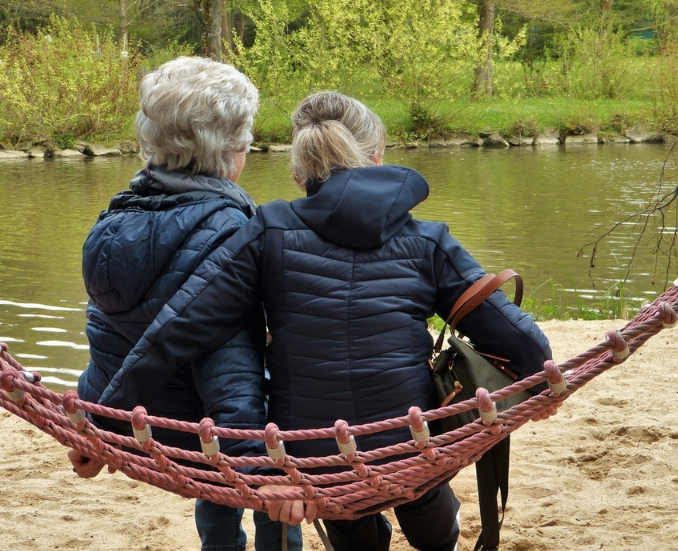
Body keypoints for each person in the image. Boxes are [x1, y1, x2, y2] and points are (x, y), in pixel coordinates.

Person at [100, 91, 552, 551]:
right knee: (420, 471)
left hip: (313, 460)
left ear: (299, 174)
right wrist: (540, 381)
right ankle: (439, 537)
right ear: (376, 158)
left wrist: (104, 424)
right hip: (409, 446)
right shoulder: (429, 240)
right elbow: (521, 342)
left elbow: (180, 328)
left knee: (340, 487)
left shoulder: (267, 229)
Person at [69, 56, 302, 551]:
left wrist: (97, 421)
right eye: (247, 141)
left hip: (137, 420)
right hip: (207, 433)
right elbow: (230, 365)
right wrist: (259, 470)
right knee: (279, 434)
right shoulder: (236, 233)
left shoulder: (111, 222)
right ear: (232, 152)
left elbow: (107, 333)